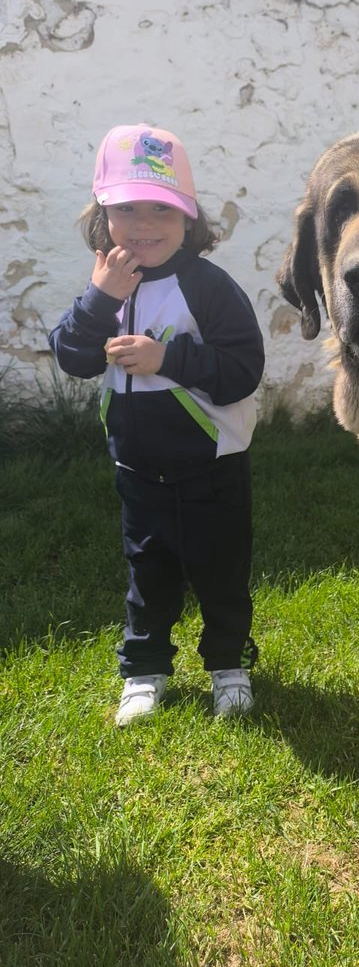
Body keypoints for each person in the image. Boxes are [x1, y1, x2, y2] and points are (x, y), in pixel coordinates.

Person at [50, 123, 265, 726]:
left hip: (212, 468)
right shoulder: (107, 284)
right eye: (126, 209)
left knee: (221, 574)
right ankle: (143, 670)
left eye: (161, 210)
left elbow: (242, 369)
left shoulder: (209, 287)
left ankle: (229, 665)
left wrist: (166, 358)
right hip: (138, 468)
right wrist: (98, 299)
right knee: (148, 576)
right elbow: (72, 357)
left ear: (188, 220)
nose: (143, 225)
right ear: (102, 217)